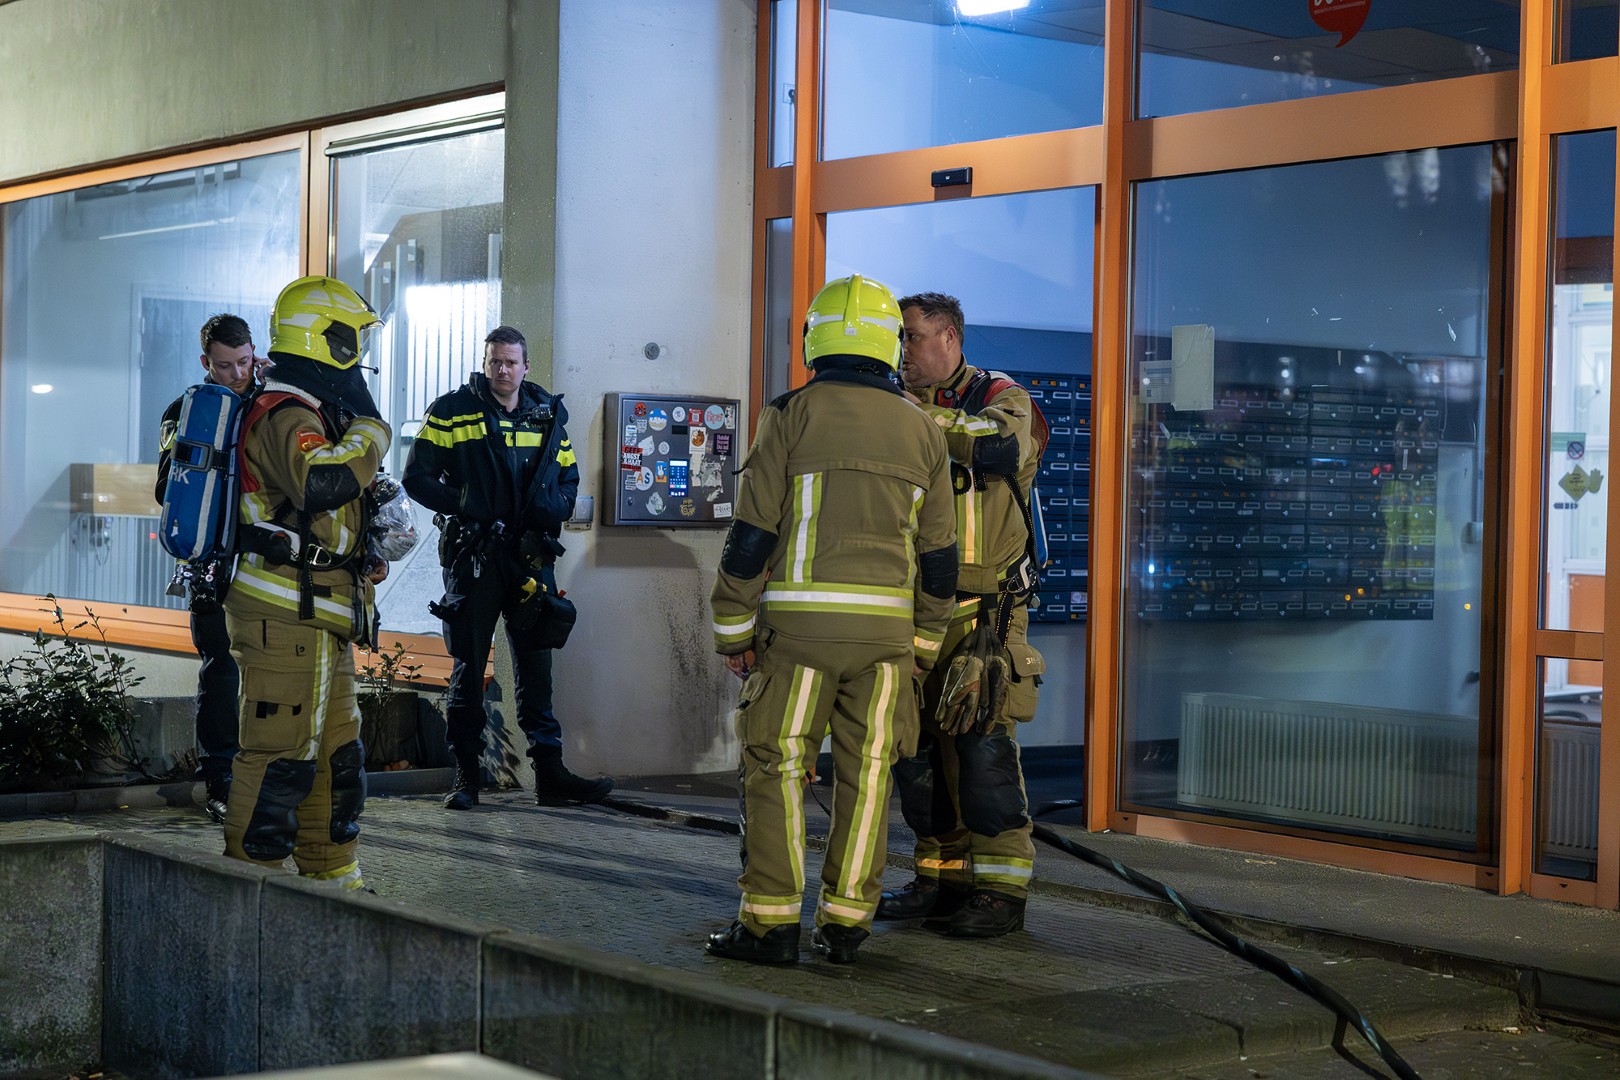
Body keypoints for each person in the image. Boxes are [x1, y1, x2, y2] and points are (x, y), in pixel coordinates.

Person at [705, 275, 958, 965]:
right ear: (889, 343)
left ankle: (770, 925)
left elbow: (753, 534)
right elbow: (941, 559)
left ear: (816, 336)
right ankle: (847, 924)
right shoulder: (924, 430)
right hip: (886, 645)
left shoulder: (789, 414)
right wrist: (925, 646)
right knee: (871, 774)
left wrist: (732, 627)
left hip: (798, 638)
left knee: (777, 767)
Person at [878, 290, 1047, 938]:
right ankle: (940, 880)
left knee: (983, 751)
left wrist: (908, 420)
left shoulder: (1003, 398)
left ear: (949, 336)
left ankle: (1003, 892)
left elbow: (1000, 447)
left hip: (989, 614)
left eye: (913, 336)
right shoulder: (902, 404)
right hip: (920, 607)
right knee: (916, 755)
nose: (904, 351)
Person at [221, 275, 392, 890]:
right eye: (352, 340)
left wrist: (360, 550)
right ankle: (246, 898)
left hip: (319, 613)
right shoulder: (286, 411)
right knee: (278, 762)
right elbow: (322, 484)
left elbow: (331, 523)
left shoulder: (306, 408)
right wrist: (373, 432)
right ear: (325, 339)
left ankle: (332, 886)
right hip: (283, 617)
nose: (359, 357)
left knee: (335, 762)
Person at [402, 325, 610, 810]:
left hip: (531, 559)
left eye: (511, 362)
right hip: (474, 558)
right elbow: (417, 478)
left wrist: (553, 508)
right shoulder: (452, 411)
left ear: (525, 366)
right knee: (469, 668)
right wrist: (467, 502)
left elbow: (568, 475)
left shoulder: (546, 413)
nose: (503, 370)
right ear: (486, 361)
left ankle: (551, 778)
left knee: (538, 669)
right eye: (495, 361)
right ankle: (467, 777)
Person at [154, 312, 259, 823]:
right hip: (213, 565)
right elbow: (163, 490)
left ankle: (268, 777)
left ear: (255, 352)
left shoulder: (277, 401)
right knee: (221, 669)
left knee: (272, 670)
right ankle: (221, 778)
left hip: (267, 562)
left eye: (243, 362)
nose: (237, 374)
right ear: (205, 363)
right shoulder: (186, 411)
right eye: (224, 365)